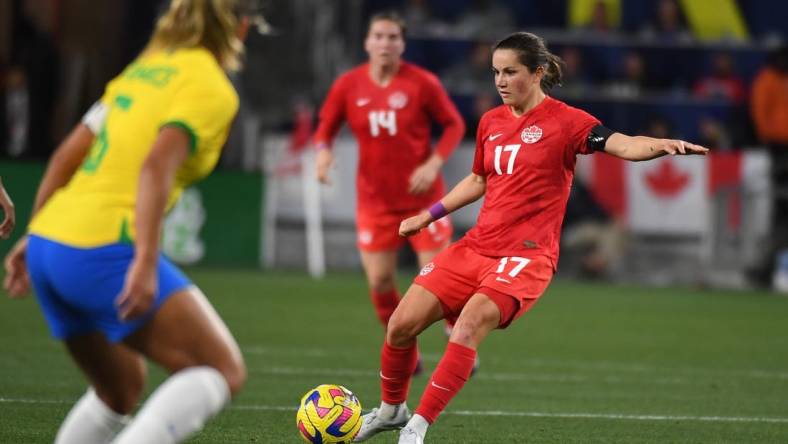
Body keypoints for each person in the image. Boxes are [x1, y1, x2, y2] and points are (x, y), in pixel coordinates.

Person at [352, 31, 708, 444]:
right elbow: (478, 179)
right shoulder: (491, 122)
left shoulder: (569, 122)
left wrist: (660, 145)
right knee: (399, 325)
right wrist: (428, 216)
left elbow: (623, 145)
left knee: (467, 327)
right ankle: (393, 410)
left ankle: (417, 428)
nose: (500, 82)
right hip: (476, 247)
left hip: (527, 257)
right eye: (495, 73)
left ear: (537, 72)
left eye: (510, 72)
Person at [2, 1, 257, 442]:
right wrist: (143, 261)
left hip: (51, 244)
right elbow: (156, 166)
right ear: (243, 28)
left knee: (119, 388)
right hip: (103, 246)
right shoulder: (211, 87)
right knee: (221, 368)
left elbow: (66, 156)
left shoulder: (140, 73)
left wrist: (34, 235)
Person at [313, 12, 465, 350]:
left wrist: (433, 163)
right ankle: (403, 350)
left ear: (402, 44)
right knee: (380, 281)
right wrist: (323, 152)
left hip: (423, 200)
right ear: (367, 42)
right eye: (379, 36)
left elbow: (454, 125)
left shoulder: (422, 83)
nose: (385, 43)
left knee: (438, 279)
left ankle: (456, 331)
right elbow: (325, 126)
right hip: (375, 201)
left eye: (393, 37)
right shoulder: (348, 84)